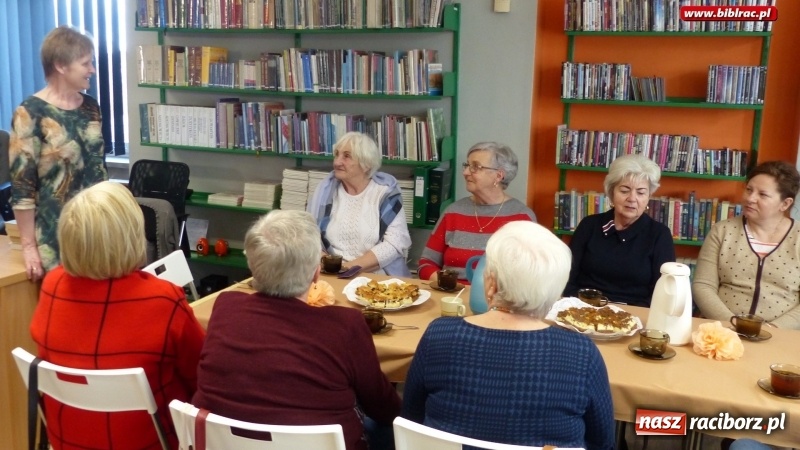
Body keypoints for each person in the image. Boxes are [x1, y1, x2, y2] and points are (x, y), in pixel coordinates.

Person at [193, 210, 401, 450]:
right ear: (316, 272)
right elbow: (383, 408)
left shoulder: (225, 307)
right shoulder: (346, 325)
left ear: (252, 267)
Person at [403, 221, 615, 450]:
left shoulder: (439, 334)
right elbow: (603, 442)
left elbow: (411, 418)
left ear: (491, 283)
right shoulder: (582, 354)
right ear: (556, 292)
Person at [30, 181, 205, 450]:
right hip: (151, 442)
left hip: (67, 441)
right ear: (132, 237)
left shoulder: (53, 286)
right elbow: (201, 375)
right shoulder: (162, 299)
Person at [9, 26, 108, 281]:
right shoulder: (30, 112)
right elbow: (22, 188)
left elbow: (98, 168)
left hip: (98, 229)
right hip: (55, 235)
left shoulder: (91, 107)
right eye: (85, 63)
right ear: (61, 65)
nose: (92, 70)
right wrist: (29, 246)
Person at [693, 161, 800, 329]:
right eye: (749, 190)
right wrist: (733, 324)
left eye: (762, 195)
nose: (750, 198)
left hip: (780, 336)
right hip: (721, 329)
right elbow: (703, 285)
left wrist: (770, 330)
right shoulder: (722, 231)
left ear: (785, 204)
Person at [564, 154, 675, 306]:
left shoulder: (659, 235)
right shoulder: (589, 226)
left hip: (635, 315)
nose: (632, 198)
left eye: (641, 192)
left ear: (648, 197)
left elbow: (663, 291)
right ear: (611, 193)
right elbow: (567, 277)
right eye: (624, 191)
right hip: (585, 308)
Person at [418, 142, 536, 283]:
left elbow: (530, 275)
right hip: (450, 297)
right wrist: (448, 285)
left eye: (475, 167)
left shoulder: (522, 218)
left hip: (497, 301)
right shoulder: (453, 212)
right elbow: (426, 263)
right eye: (467, 165)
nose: (465, 172)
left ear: (498, 176)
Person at [307, 131, 411, 276]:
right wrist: (329, 265)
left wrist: (347, 269)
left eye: (347, 156)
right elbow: (309, 237)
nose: (337, 162)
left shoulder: (385, 193)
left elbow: (395, 243)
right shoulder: (324, 192)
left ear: (366, 164)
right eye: (337, 154)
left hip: (377, 279)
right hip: (329, 274)